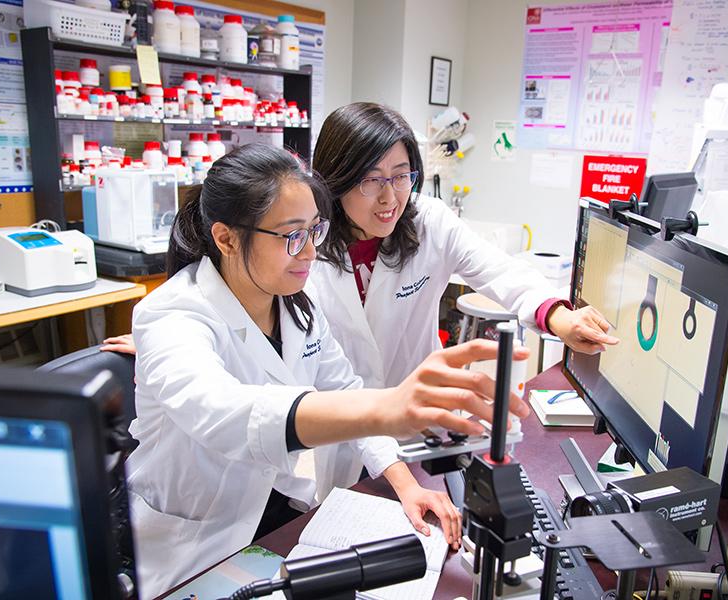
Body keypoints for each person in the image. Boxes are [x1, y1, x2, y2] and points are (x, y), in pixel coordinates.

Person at [124, 144, 529, 597]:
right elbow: (225, 415)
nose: (312, 252)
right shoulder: (171, 314)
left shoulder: (296, 307)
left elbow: (343, 387)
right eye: (292, 235)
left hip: (276, 518)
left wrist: (404, 481)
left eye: (316, 229)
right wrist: (388, 409)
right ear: (226, 238)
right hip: (197, 543)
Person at [307, 102, 619, 390]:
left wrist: (557, 315)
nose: (389, 197)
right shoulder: (306, 245)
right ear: (336, 180)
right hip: (344, 427)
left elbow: (500, 272)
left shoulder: (430, 223)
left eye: (401, 176)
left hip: (423, 418)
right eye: (371, 180)